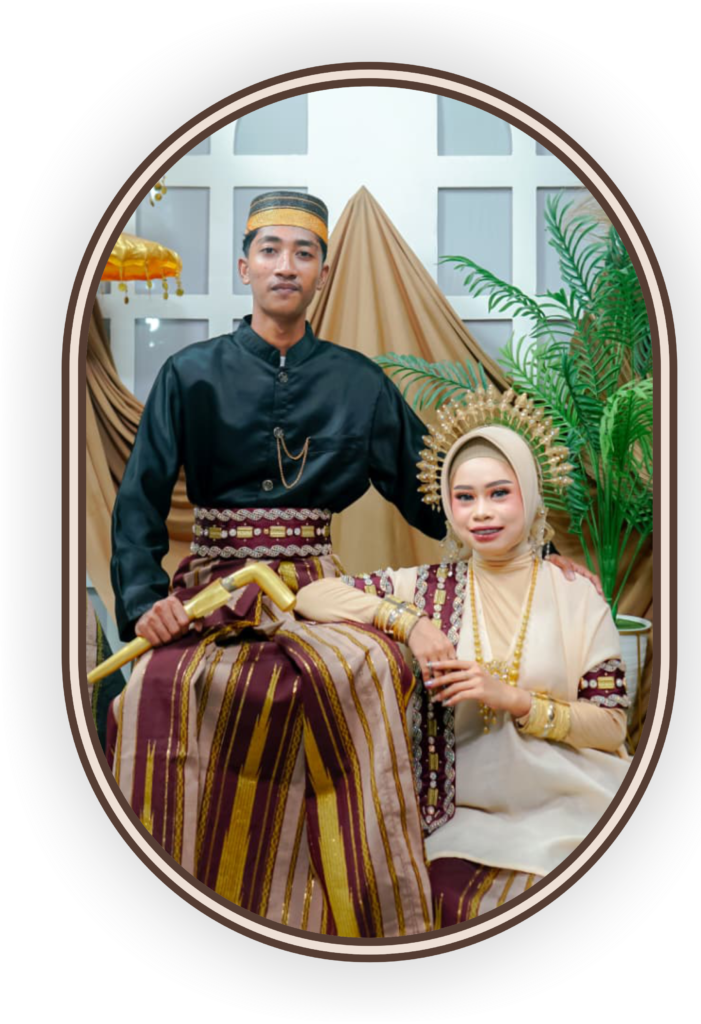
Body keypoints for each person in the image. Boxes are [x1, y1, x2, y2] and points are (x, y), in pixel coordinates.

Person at [106, 190, 599, 937]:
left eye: (304, 253)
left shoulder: (359, 383)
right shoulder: (188, 373)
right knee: (156, 683)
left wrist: (542, 557)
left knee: (369, 673)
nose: (286, 266)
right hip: (211, 587)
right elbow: (138, 498)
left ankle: (343, 890)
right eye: (270, 250)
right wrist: (146, 601)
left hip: (317, 589)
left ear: (323, 274)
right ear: (244, 267)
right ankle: (168, 899)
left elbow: (434, 492)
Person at [295, 389, 632, 928]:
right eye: (464, 497)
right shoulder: (426, 589)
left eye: (499, 493)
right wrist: (411, 623)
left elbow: (612, 727)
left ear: (531, 494)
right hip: (460, 817)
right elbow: (312, 595)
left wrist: (513, 699)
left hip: (576, 802)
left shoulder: (575, 595)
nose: (481, 513)